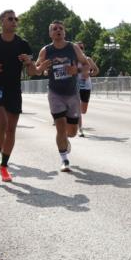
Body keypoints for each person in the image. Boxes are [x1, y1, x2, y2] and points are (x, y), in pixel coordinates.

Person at [0, 10, 50, 181]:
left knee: (11, 129)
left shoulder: (23, 44)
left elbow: (32, 72)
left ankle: (4, 167)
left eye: (15, 19)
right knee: (1, 124)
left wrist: (30, 62)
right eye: (10, 19)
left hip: (14, 89)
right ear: (1, 21)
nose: (14, 21)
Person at [38, 21, 86, 171]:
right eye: (54, 29)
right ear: (50, 33)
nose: (58, 30)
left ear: (64, 32)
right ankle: (64, 160)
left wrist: (76, 71)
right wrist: (42, 69)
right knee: (60, 127)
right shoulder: (46, 50)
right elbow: (36, 69)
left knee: (71, 133)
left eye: (61, 29)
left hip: (72, 94)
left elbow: (86, 65)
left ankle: (66, 141)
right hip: (55, 93)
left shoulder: (73, 48)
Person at [75, 41, 98, 137]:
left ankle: (74, 115)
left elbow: (96, 70)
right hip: (75, 86)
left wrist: (89, 74)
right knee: (78, 109)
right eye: (78, 48)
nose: (80, 49)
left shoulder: (88, 59)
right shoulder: (73, 60)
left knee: (83, 110)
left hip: (86, 86)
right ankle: (80, 129)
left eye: (82, 48)